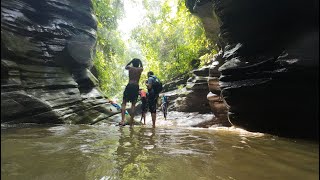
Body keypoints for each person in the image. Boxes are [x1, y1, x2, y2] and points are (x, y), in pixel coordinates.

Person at [119, 58, 143, 126]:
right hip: (136, 87)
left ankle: (123, 120)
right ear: (138, 64)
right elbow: (142, 67)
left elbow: (126, 66)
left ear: (132, 63)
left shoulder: (130, 68)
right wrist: (140, 61)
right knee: (133, 105)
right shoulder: (140, 69)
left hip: (129, 85)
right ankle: (131, 122)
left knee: (124, 103)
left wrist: (130, 61)